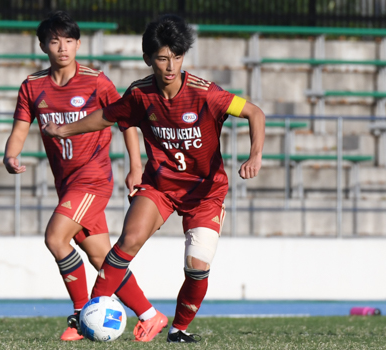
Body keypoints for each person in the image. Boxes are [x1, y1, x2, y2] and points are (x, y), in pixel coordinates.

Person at [43, 14, 266, 343]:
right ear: (148, 58)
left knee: (197, 265)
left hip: (205, 193)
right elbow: (106, 116)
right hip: (160, 186)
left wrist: (256, 154)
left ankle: (178, 328)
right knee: (128, 241)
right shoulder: (140, 94)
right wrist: (64, 129)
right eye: (162, 58)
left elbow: (254, 112)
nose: (171, 65)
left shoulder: (205, 93)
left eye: (177, 57)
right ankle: (88, 316)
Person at [3, 11, 167, 342]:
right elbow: (20, 128)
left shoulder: (96, 81)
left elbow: (127, 122)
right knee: (100, 257)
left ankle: (80, 315)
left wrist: (136, 166)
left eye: (68, 40)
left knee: (55, 238)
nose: (62, 47)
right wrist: (10, 154)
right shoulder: (33, 86)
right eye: (54, 40)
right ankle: (151, 315)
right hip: (66, 183)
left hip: (93, 179)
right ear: (42, 46)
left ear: (78, 44)